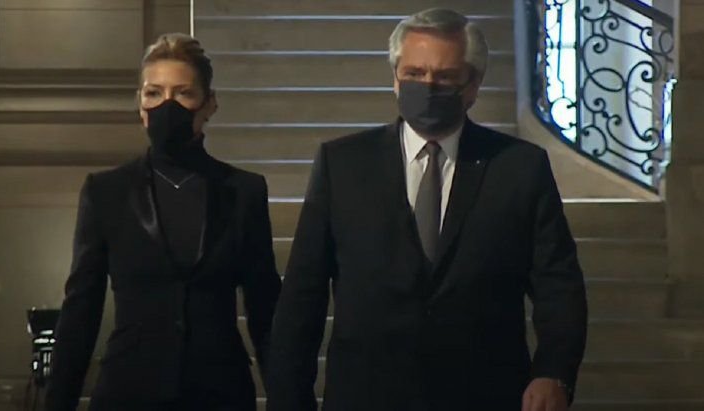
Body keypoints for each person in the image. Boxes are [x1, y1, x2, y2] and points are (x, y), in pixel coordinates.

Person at [266, 8, 587, 411]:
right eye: (414, 73)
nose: (428, 85)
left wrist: (554, 372)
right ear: (395, 78)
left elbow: (558, 285)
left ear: (473, 86)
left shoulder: (519, 168)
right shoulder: (342, 164)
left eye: (445, 76)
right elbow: (302, 296)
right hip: (366, 394)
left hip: (484, 393)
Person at [44, 33, 281, 411]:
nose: (166, 106)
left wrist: (287, 397)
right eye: (154, 93)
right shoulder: (107, 192)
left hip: (220, 392)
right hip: (128, 391)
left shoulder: (244, 192)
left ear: (209, 103)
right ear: (140, 105)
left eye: (183, 93)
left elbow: (264, 307)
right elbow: (81, 310)